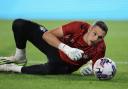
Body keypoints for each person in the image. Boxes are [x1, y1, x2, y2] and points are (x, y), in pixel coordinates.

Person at [0, 19, 108, 75]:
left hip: (66, 64)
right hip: (56, 47)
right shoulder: (78, 26)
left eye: (100, 37)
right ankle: (20, 57)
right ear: (89, 29)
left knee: (49, 69)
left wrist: (90, 70)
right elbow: (47, 35)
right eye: (94, 34)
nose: (96, 39)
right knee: (20, 24)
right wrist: (67, 49)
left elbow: (96, 68)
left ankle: (12, 68)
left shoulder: (100, 47)